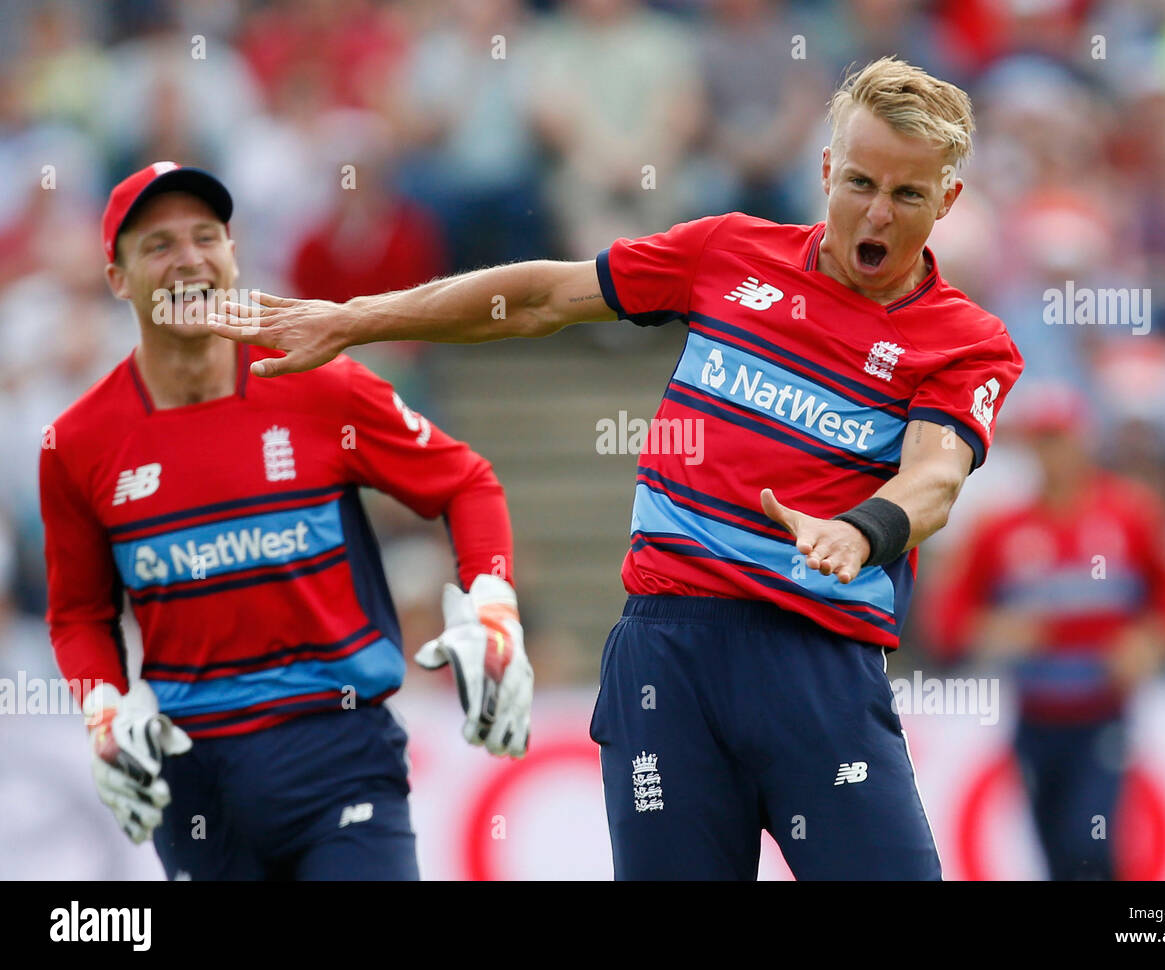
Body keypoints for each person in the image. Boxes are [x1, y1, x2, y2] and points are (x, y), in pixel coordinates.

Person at [208, 57, 1025, 880]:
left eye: (908, 194)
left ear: (948, 201)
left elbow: (936, 475)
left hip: (817, 665)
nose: (875, 212)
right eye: (858, 182)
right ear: (824, 170)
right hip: (667, 655)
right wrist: (355, 318)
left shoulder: (965, 340)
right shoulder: (728, 251)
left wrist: (861, 529)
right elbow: (541, 298)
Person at [40, 161, 534, 881]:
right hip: (192, 775)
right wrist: (105, 708)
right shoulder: (80, 443)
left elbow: (466, 481)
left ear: (233, 252)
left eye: (206, 236)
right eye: (158, 245)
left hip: (341, 754)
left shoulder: (315, 382)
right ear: (117, 278)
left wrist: (493, 608)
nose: (189, 259)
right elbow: (78, 614)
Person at [928, 385, 1165, 879]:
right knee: (1056, 852)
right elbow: (947, 615)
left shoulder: (1129, 515)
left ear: (1083, 440)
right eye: (1042, 441)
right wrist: (989, 630)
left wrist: (1152, 639)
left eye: (1060, 439)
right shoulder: (1002, 529)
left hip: (1103, 716)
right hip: (1034, 720)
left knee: (1088, 845)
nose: (1052, 453)